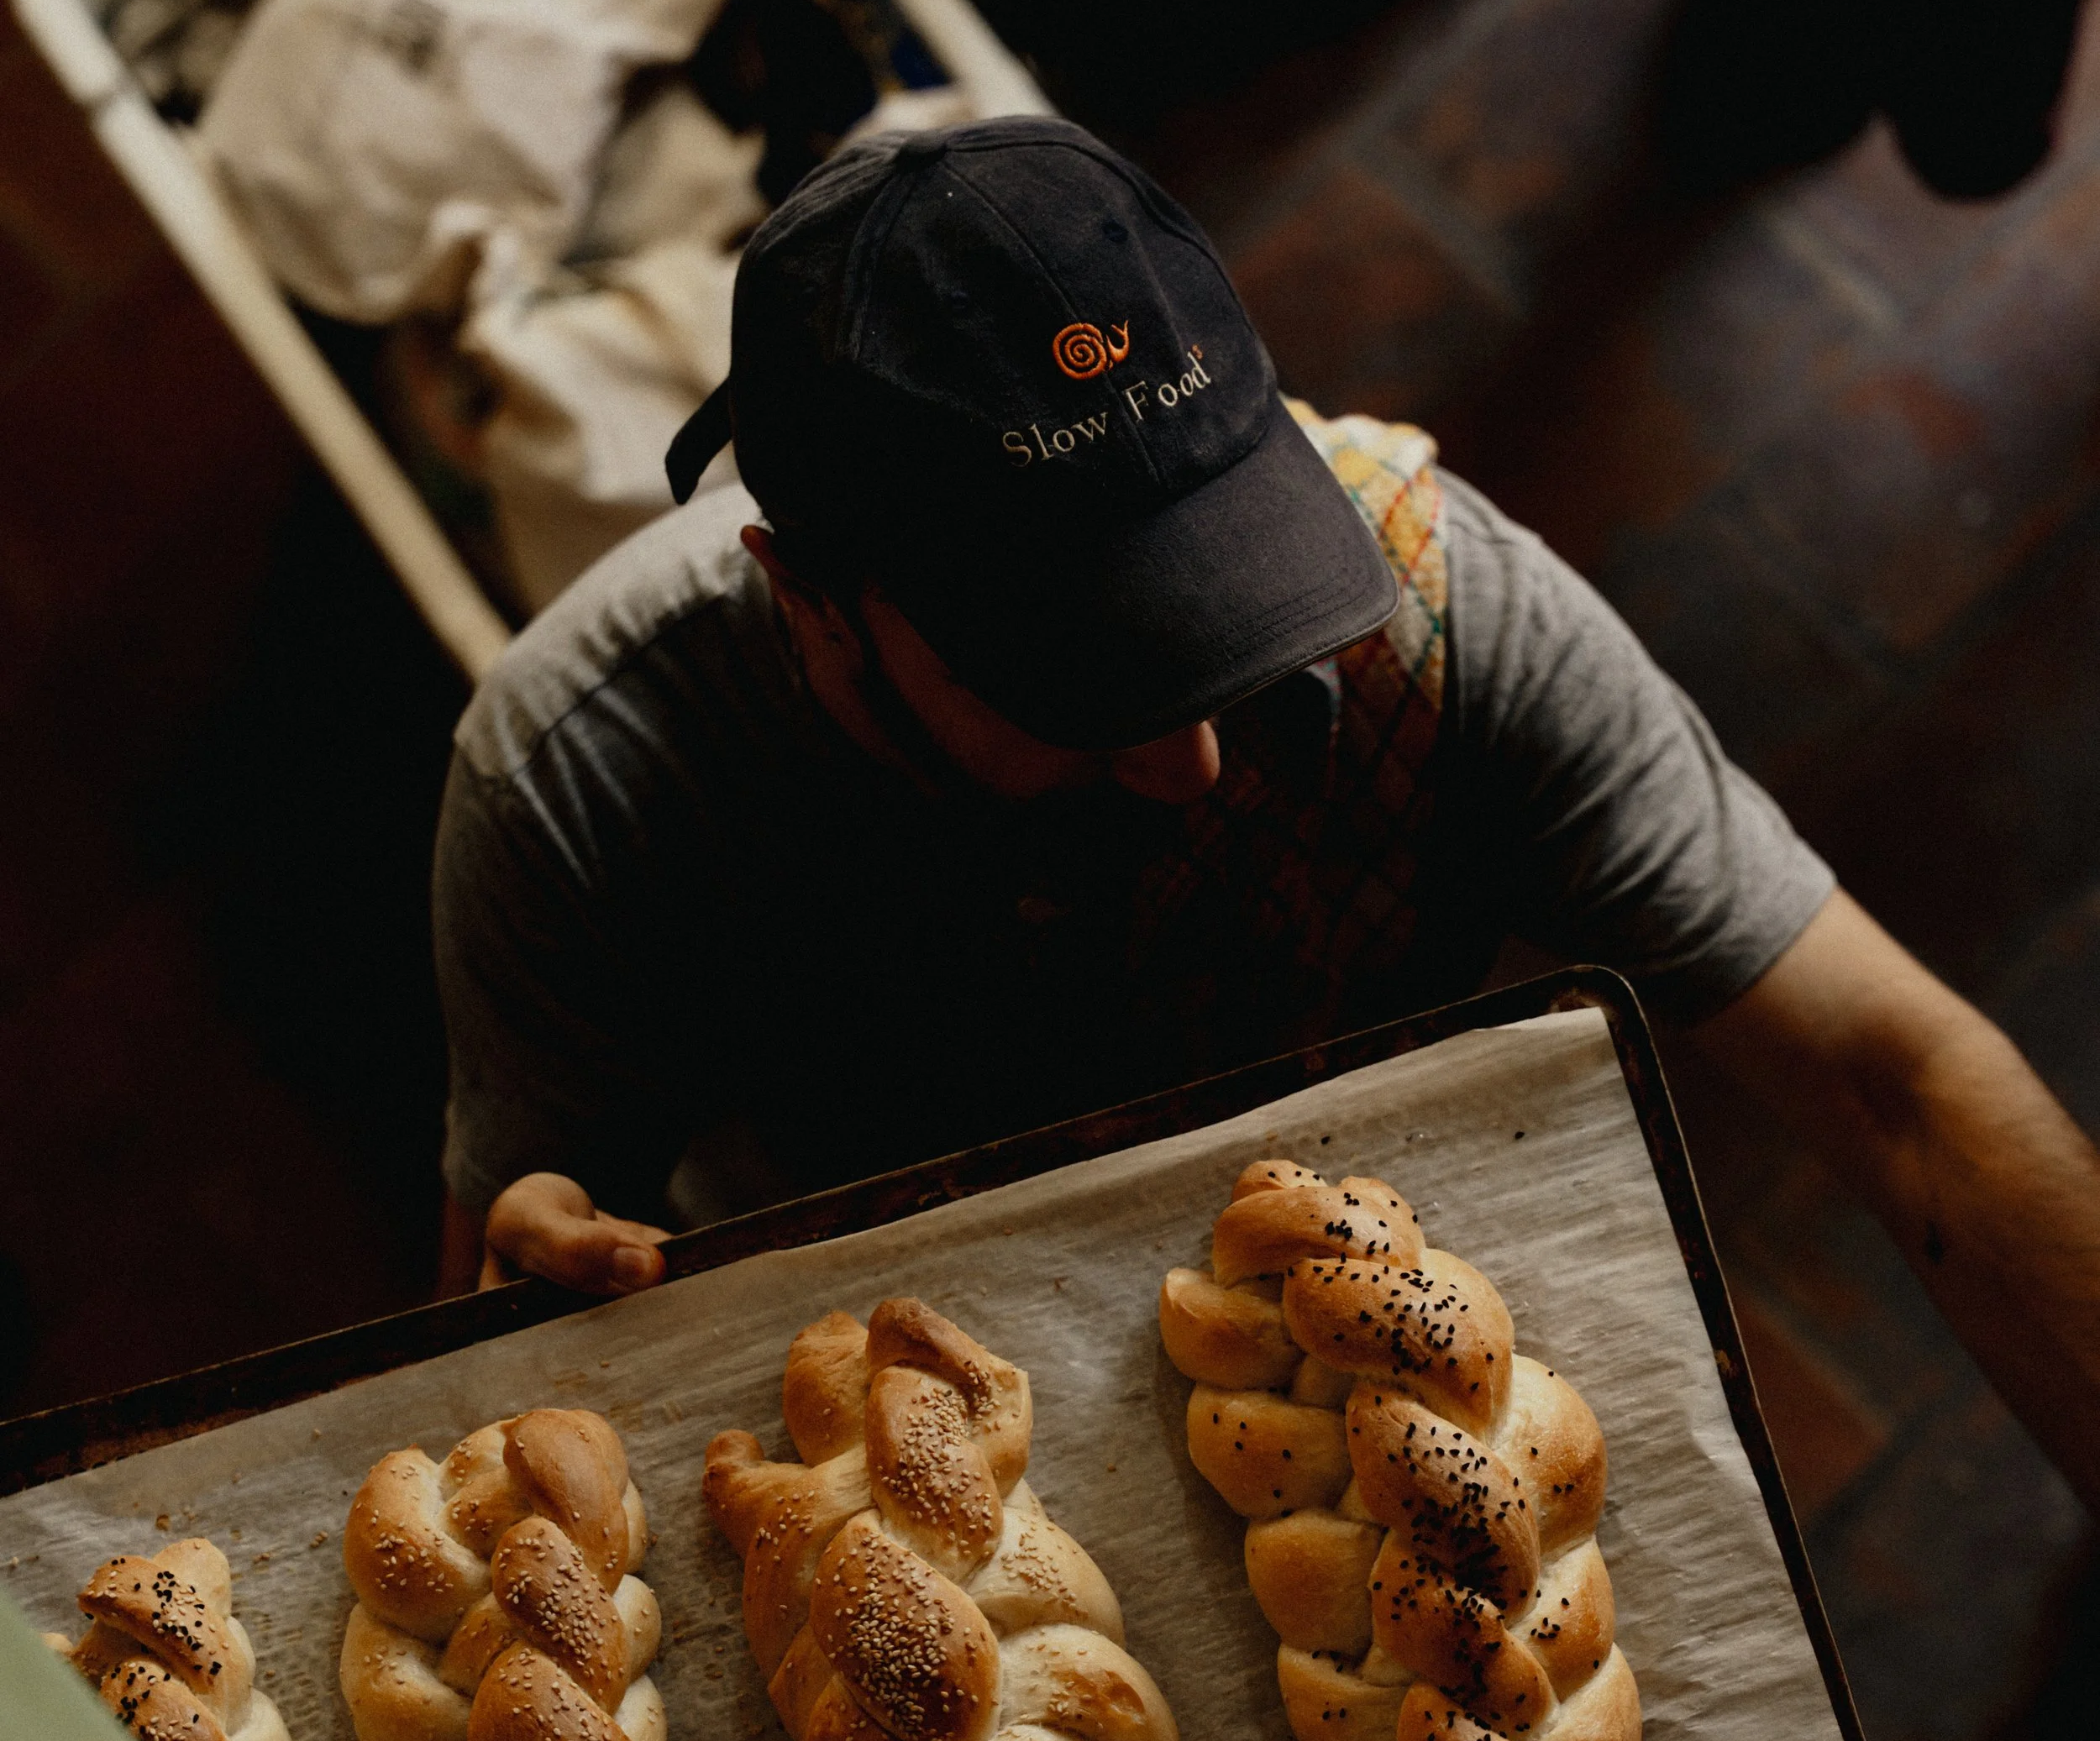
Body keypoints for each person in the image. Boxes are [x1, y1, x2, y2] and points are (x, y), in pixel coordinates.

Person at [434, 117, 2100, 1516]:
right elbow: (496, 1311)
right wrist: (534, 1318)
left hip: (1356, 1343)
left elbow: (1903, 1088)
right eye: (1081, 679)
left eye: (1226, 613)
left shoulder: (1443, 608)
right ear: (806, 595)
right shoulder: (587, 783)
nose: (1192, 768)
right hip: (904, 1434)